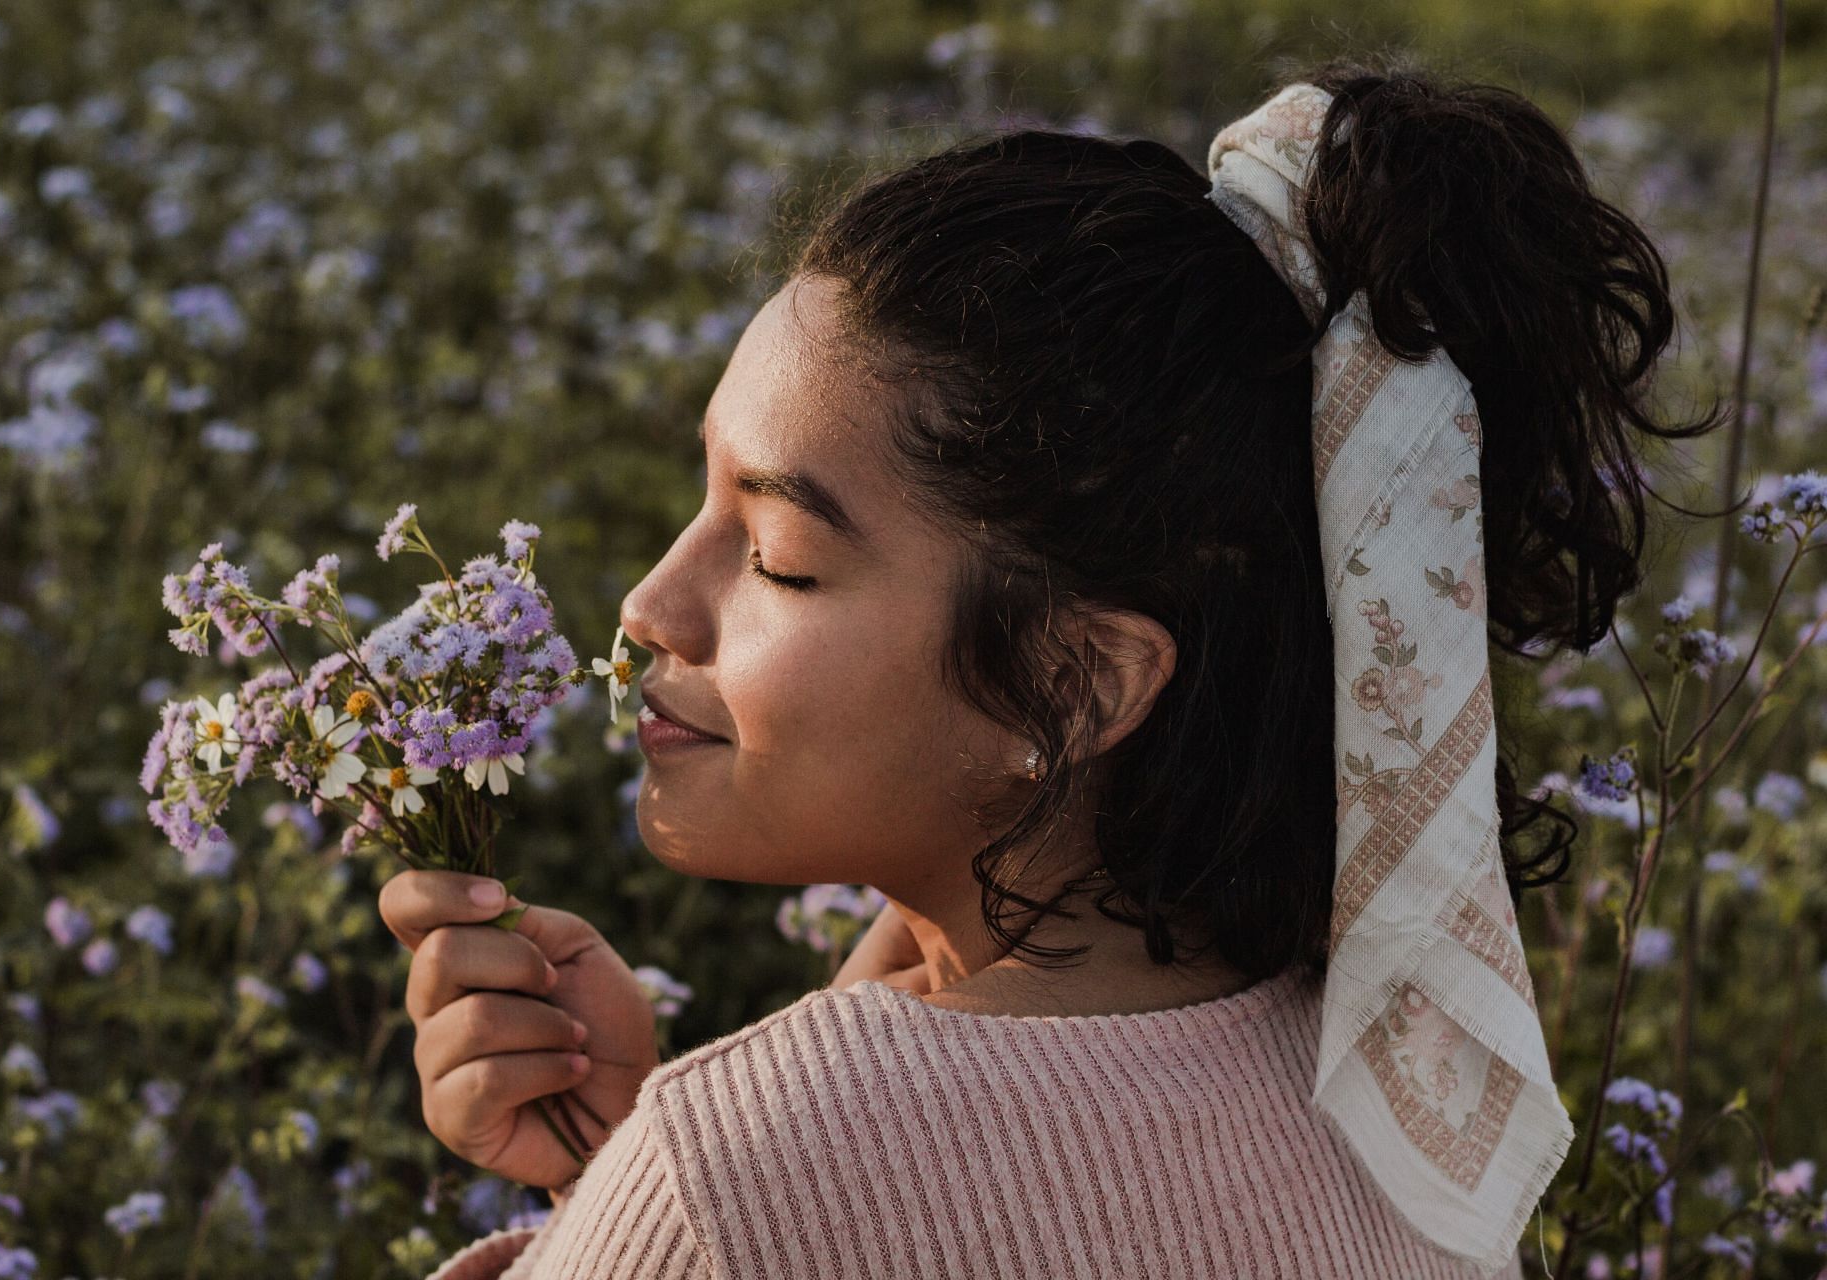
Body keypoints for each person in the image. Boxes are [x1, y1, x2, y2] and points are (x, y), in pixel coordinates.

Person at [381, 53, 1722, 1280]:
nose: (654, 601)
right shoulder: (1398, 1092)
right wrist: (628, 1173)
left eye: (780, 554)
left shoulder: (741, 1188)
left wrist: (649, 1201)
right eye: (703, 502)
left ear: (1078, 684)